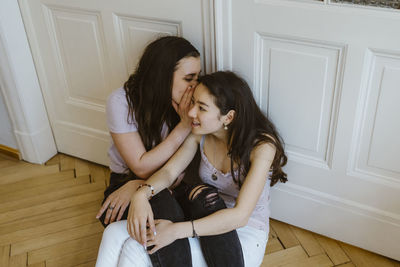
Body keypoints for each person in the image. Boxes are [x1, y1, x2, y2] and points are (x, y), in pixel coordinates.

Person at [96, 71, 288, 267]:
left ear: (228, 117)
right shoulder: (201, 135)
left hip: (240, 236)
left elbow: (240, 215)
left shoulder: (262, 147)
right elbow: (169, 172)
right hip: (201, 218)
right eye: (193, 102)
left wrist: (176, 230)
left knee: (136, 249)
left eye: (202, 108)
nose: (190, 113)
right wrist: (141, 194)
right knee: (112, 233)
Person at [96, 35, 201, 266]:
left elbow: (180, 170)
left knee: (173, 210)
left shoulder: (190, 105)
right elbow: (140, 166)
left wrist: (141, 189)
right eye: (188, 78)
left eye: (197, 78)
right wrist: (183, 126)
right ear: (163, 76)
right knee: (164, 209)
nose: (195, 87)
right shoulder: (121, 101)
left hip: (166, 183)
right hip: (125, 183)